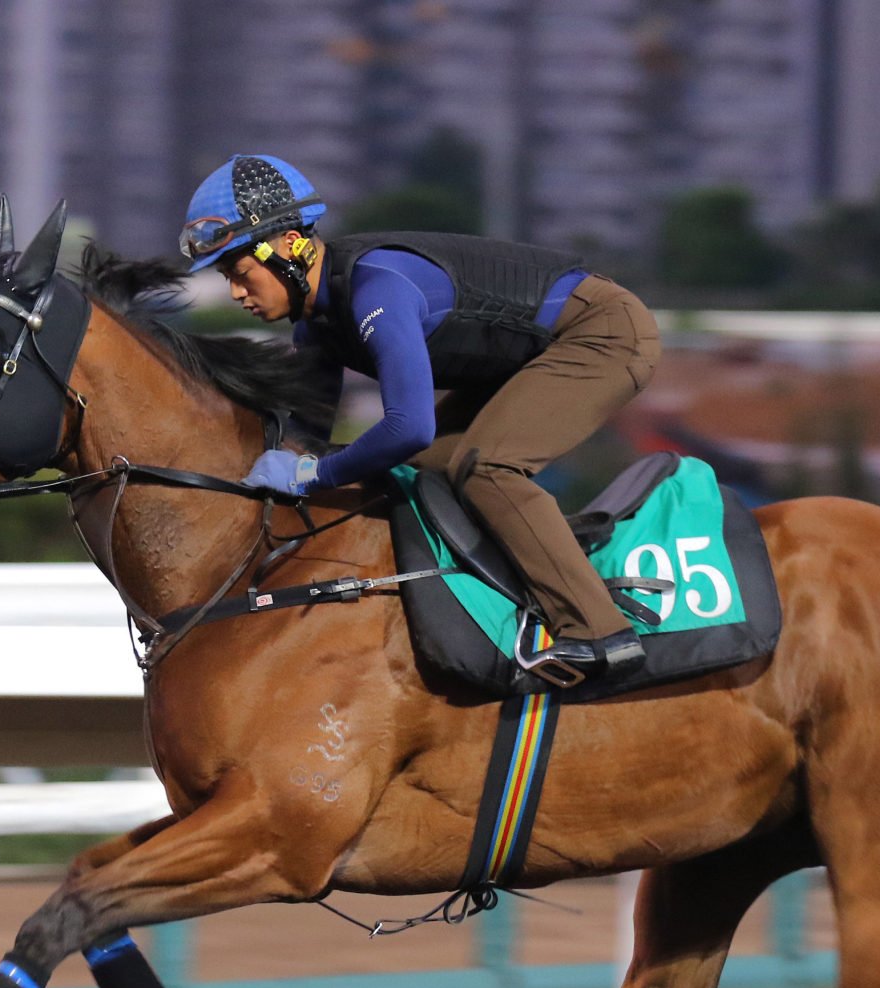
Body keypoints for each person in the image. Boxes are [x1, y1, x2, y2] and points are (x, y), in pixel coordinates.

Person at [179, 154, 661, 680]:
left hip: (602, 332)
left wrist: (316, 472)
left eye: (240, 272)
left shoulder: (375, 291)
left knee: (488, 470)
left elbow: (407, 427)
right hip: (528, 358)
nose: (235, 293)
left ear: (289, 246)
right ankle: (523, 593)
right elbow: (307, 442)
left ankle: (600, 632)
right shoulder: (315, 328)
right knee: (417, 472)